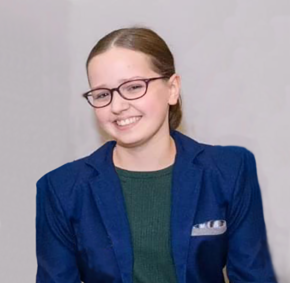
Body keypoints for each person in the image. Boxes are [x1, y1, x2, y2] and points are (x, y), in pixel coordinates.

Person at [36, 27, 277, 283]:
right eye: (103, 94)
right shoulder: (61, 188)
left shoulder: (230, 170)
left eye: (133, 87)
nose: (117, 106)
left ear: (172, 89)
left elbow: (255, 276)